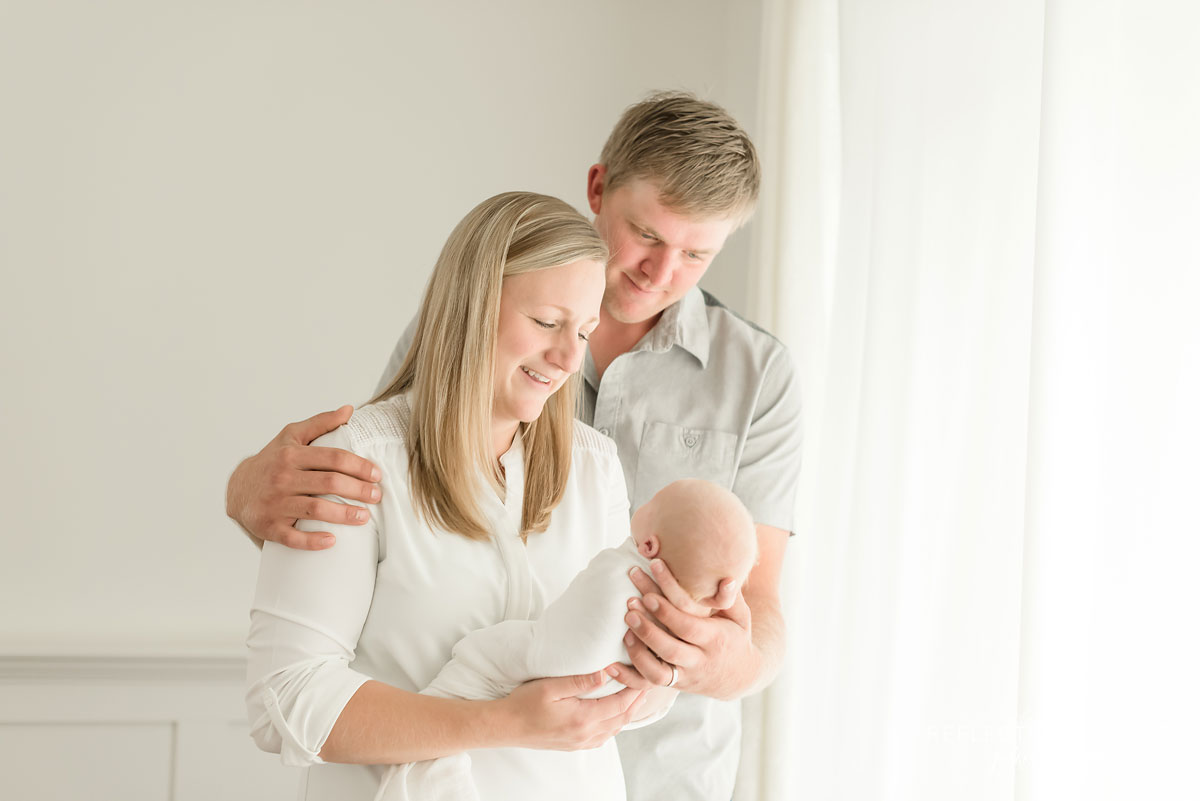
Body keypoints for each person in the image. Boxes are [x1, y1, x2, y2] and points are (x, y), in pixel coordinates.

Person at [229, 92, 803, 801]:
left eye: (696, 254)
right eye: (647, 235)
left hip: (663, 769)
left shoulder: (621, 452)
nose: (661, 273)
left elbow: (757, 607)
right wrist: (242, 492)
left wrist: (701, 662)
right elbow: (376, 509)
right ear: (599, 190)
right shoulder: (379, 446)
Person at [246, 191, 674, 800]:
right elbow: (285, 697)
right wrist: (500, 724)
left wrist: (658, 675)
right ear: (472, 307)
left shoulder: (594, 467)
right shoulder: (357, 462)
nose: (567, 357)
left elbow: (632, 670)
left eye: (584, 330)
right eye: (547, 323)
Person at [375, 479, 759, 801]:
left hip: (548, 662)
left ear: (649, 547)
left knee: (465, 675)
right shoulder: (683, 619)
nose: (643, 502)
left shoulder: (624, 565)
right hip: (600, 695)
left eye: (653, 503)